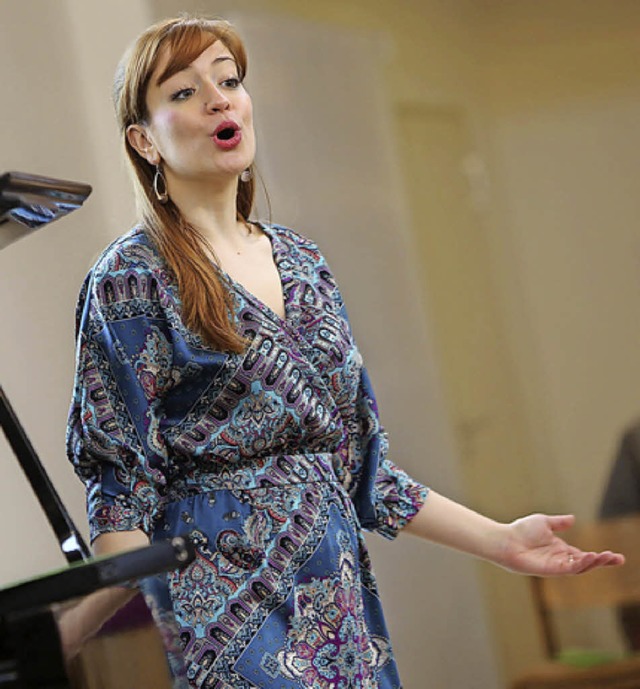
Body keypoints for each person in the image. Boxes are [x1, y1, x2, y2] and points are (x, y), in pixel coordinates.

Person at [64, 15, 624, 688]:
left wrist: (502, 541)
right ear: (143, 140)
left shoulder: (304, 263)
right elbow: (120, 488)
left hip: (336, 598)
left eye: (229, 81)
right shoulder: (130, 277)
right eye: (182, 92)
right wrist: (61, 630)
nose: (218, 99)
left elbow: (368, 469)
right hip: (223, 607)